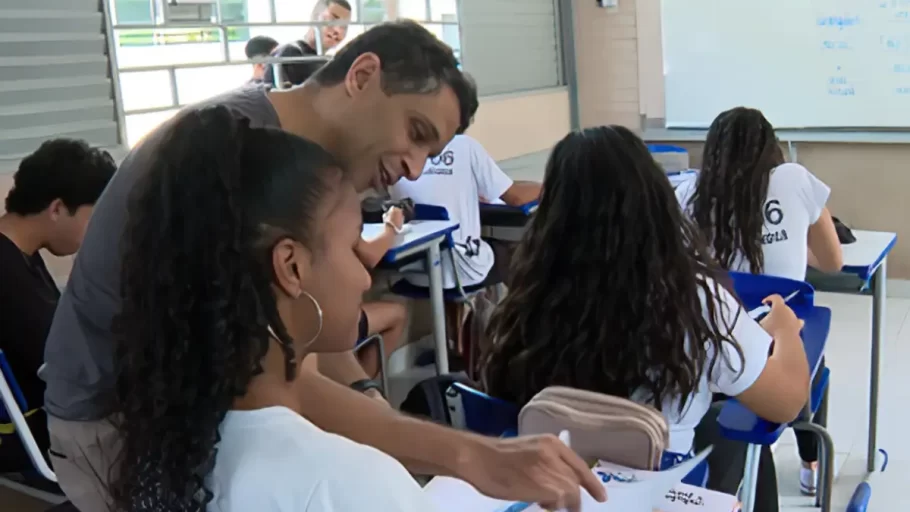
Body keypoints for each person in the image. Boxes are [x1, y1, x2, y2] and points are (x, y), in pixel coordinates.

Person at [40, 20, 604, 512]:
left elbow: (301, 331)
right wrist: (468, 454)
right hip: (114, 425)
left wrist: (374, 413)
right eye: (416, 133)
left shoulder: (297, 167)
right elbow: (290, 373)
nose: (411, 167)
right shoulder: (238, 155)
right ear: (362, 76)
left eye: (430, 156)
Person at [110, 106, 436, 511]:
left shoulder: (169, 453)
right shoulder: (351, 482)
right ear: (291, 266)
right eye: (353, 246)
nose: (365, 277)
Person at [481, 126, 810, 507]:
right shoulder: (694, 300)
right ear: (655, 201)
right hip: (654, 494)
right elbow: (785, 402)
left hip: (552, 489)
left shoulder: (526, 295)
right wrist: (785, 331)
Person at [678, 106, 843, 496]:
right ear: (770, 146)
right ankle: (811, 464)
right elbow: (833, 263)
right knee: (812, 363)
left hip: (709, 350)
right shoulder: (794, 178)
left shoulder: (688, 193)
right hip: (779, 343)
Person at [0, 139, 115, 474]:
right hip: (35, 436)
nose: (95, 235)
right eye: (93, 220)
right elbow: (60, 365)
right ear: (57, 209)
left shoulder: (22, 254)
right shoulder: (6, 271)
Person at [389, 133, 541, 289]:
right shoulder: (464, 145)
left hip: (413, 271)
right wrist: (553, 184)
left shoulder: (394, 150)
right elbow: (516, 198)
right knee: (519, 254)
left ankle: (469, 310)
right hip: (460, 270)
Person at [354, 206, 408, 382]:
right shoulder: (330, 210)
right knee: (397, 314)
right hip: (328, 318)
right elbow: (370, 255)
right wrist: (391, 226)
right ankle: (361, 385)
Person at [264, 0, 352, 87]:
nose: (337, 30)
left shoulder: (331, 64)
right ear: (314, 17)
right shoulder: (290, 53)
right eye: (332, 20)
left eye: (344, 26)